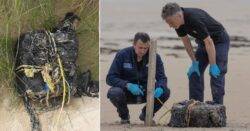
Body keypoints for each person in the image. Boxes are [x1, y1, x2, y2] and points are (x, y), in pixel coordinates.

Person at [161, 3, 230, 104]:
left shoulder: (194, 18)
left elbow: (209, 42)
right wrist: (194, 62)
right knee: (194, 73)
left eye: (170, 22)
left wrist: (213, 64)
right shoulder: (178, 24)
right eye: (168, 23)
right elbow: (186, 42)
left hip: (219, 41)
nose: (170, 26)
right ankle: (195, 104)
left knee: (216, 73)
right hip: (203, 43)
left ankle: (218, 105)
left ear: (179, 16)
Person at [106, 32, 170, 124]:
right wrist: (127, 85)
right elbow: (110, 78)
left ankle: (145, 115)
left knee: (165, 91)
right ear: (134, 45)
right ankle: (124, 117)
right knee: (114, 92)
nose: (143, 51)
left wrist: (160, 87)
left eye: (145, 48)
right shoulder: (122, 55)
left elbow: (162, 78)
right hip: (127, 92)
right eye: (140, 47)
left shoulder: (155, 57)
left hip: (146, 92)